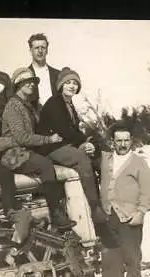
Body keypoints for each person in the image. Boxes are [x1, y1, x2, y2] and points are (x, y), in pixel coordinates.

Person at [0, 77, 74, 231]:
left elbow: (0, 136)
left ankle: (47, 212)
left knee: (38, 164)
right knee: (12, 172)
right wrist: (9, 142)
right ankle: (17, 213)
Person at [1, 67, 76, 231]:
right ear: (18, 85)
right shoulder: (13, 107)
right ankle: (56, 216)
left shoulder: (29, 105)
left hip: (27, 151)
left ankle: (58, 211)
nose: (31, 85)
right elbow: (21, 137)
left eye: (33, 82)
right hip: (15, 154)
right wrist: (49, 139)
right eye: (26, 82)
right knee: (45, 165)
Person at [36, 67, 108, 225]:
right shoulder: (55, 103)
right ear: (61, 85)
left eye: (75, 83)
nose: (72, 86)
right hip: (51, 148)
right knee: (82, 157)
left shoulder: (69, 104)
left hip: (66, 144)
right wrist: (84, 143)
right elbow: (64, 130)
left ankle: (105, 200)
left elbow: (73, 131)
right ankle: (95, 207)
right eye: (67, 82)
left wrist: (89, 143)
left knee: (97, 155)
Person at [99, 121, 150, 277]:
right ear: (112, 142)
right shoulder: (105, 159)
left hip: (130, 218)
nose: (122, 144)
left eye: (126, 140)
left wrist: (141, 212)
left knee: (132, 259)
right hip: (109, 217)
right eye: (118, 140)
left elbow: (148, 190)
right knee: (111, 261)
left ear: (131, 141)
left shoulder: (139, 162)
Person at [26, 33, 61, 109]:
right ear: (30, 51)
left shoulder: (58, 74)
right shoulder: (25, 75)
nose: (40, 51)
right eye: (36, 48)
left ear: (47, 50)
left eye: (43, 47)